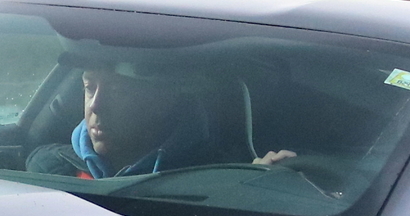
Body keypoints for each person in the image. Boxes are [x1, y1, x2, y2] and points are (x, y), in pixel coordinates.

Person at [26, 65, 298, 179]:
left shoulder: (214, 178)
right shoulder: (48, 168)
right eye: (89, 87)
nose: (96, 105)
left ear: (162, 103)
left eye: (119, 91)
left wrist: (253, 184)